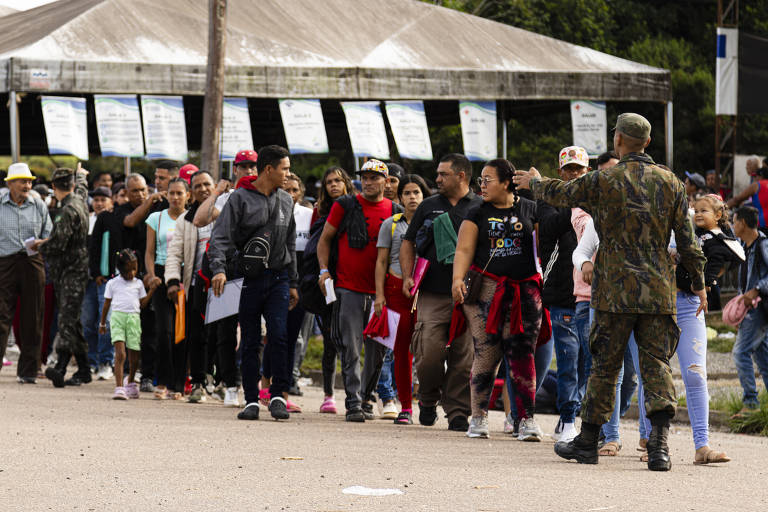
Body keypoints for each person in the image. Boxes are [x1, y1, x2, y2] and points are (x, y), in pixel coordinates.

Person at [514, 112, 706, 471]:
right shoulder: (671, 183)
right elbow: (689, 243)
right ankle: (659, 448)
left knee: (604, 366)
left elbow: (564, 192)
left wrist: (535, 183)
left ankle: (588, 442)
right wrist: (697, 284)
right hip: (657, 292)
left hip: (614, 291)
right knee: (657, 367)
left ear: (618, 140)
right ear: (648, 142)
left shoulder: (604, 179)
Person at [630, 194, 737, 465]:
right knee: (652, 378)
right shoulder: (643, 223)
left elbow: (728, 246)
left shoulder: (692, 226)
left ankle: (702, 446)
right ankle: (650, 443)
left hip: (690, 308)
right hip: (655, 307)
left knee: (696, 376)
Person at [452, 159, 546, 441]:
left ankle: (526, 420)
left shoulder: (530, 208)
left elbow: (542, 247)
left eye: (488, 179)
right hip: (485, 291)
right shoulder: (476, 211)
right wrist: (457, 279)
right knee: (486, 352)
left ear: (506, 182)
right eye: (480, 180)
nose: (482, 185)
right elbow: (464, 249)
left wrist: (539, 186)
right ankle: (478, 417)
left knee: (522, 353)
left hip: (525, 291)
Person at [208, 145, 299, 421]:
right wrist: (219, 270)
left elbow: (291, 242)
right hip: (247, 279)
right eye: (284, 168)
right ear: (269, 169)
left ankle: (277, 396)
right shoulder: (239, 199)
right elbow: (220, 237)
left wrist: (293, 281)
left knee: (280, 335)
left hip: (279, 278)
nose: (288, 173)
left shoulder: (286, 200)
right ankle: (251, 400)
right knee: (249, 340)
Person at [399, 154, 481, 432]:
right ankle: (428, 398)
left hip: (470, 294)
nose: (437, 179)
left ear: (461, 176)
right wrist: (408, 275)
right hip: (433, 292)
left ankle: (458, 411)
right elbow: (408, 242)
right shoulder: (429, 205)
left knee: (464, 356)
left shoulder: (480, 206)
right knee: (428, 353)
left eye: (443, 174)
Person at [317, 159, 402, 422]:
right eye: (364, 177)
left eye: (374, 178)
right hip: (348, 288)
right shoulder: (345, 205)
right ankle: (353, 400)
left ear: (386, 182)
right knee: (350, 347)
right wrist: (323, 271)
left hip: (382, 293)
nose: (368, 182)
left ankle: (366, 397)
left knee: (378, 350)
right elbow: (325, 240)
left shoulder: (395, 211)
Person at [538, 146, 588, 443]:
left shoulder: (596, 202)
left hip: (593, 295)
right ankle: (568, 417)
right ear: (560, 172)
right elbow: (553, 226)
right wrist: (578, 200)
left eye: (579, 170)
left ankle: (576, 411)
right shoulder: (548, 202)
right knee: (569, 359)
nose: (574, 174)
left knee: (588, 362)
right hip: (562, 294)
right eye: (569, 169)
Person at [374, 174, 430, 424]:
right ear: (399, 198)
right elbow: (381, 261)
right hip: (397, 291)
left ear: (424, 195)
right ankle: (405, 406)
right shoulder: (391, 224)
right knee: (401, 351)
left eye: (416, 192)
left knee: (429, 350)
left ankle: (430, 402)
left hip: (427, 292)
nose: (412, 197)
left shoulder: (433, 222)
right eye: (407, 193)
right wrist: (379, 296)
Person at [165, 171, 222, 404]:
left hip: (222, 283)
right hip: (196, 285)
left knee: (221, 335)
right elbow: (174, 253)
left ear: (215, 186)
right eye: (197, 186)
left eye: (207, 184)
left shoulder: (226, 213)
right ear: (192, 192)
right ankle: (197, 382)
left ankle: (222, 382)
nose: (203, 189)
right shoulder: (184, 220)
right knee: (196, 335)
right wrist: (172, 279)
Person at [0, 163, 52, 384]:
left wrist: (43, 242)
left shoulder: (38, 204)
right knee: (1, 315)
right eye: (22, 181)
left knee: (33, 316)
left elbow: (49, 233)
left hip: (33, 261)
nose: (27, 185)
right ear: (10, 184)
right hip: (4, 262)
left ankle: (29, 370)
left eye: (29, 181)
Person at [41, 167, 92, 388]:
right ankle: (84, 369)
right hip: (77, 268)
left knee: (66, 319)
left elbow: (58, 244)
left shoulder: (67, 210)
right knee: (73, 318)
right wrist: (81, 174)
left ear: (53, 187)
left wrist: (39, 246)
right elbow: (82, 186)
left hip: (70, 270)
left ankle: (61, 365)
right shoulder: (79, 199)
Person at [310, 166, 354, 413]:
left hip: (353, 280)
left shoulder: (356, 207)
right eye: (329, 182)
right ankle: (328, 394)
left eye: (338, 180)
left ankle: (354, 395)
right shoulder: (320, 211)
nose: (334, 185)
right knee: (329, 340)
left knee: (352, 340)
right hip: (327, 280)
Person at [114, 173, 161, 392]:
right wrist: (150, 201)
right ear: (125, 193)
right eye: (135, 191)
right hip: (129, 280)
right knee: (128, 330)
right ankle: (127, 373)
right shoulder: (121, 210)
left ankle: (147, 375)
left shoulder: (157, 208)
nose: (141, 194)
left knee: (150, 330)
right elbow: (131, 221)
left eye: (144, 190)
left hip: (151, 276)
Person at [145, 177, 189, 399]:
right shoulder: (156, 218)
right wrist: (152, 275)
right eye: (171, 193)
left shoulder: (192, 219)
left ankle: (179, 385)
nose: (175, 197)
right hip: (162, 277)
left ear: (187, 196)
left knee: (182, 333)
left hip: (185, 276)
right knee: (164, 331)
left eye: (180, 193)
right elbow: (149, 252)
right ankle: (162, 382)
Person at [99, 249, 158, 399]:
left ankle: (130, 382)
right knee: (120, 354)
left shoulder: (138, 284)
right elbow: (106, 304)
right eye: (128, 270)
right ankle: (119, 387)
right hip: (118, 318)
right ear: (120, 269)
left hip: (134, 319)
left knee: (134, 355)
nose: (132, 273)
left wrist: (151, 290)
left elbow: (142, 304)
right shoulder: (113, 283)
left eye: (134, 269)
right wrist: (102, 323)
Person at [730, 205, 768, 414]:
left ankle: (751, 404)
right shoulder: (746, 246)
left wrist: (756, 290)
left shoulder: (763, 245)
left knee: (740, 352)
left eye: (734, 221)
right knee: (763, 358)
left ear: (743, 223)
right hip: (750, 310)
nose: (733, 226)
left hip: (758, 308)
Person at [282, 172, 314, 398]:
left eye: (295, 190)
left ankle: (291, 376)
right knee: (278, 331)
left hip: (303, 279)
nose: (291, 194)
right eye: (286, 190)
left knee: (299, 334)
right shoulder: (273, 212)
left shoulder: (308, 215)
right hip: (280, 275)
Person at [84, 187, 116, 380]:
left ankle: (106, 361)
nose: (99, 203)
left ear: (111, 202)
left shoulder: (113, 221)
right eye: (96, 199)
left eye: (103, 199)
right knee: (87, 323)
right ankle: (91, 361)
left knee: (105, 322)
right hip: (86, 279)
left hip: (105, 278)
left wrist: (103, 271)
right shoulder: (86, 220)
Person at [193, 149, 258, 228]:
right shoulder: (227, 197)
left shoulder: (267, 194)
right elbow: (199, 221)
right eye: (243, 167)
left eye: (252, 167)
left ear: (258, 169)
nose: (248, 171)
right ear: (235, 170)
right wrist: (217, 192)